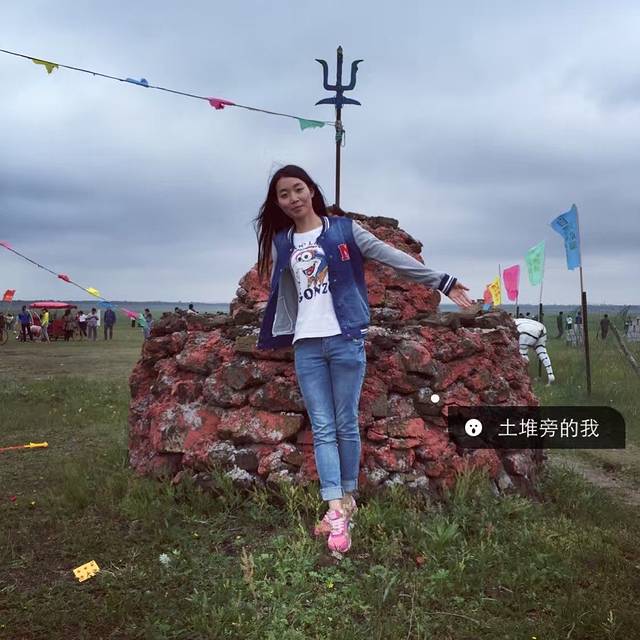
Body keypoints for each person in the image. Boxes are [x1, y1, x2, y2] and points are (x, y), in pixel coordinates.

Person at [255, 165, 473, 553]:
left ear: (311, 190)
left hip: (345, 339)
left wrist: (443, 281)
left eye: (298, 189)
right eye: (283, 194)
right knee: (322, 426)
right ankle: (335, 509)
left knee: (345, 422)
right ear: (277, 202)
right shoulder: (282, 242)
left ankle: (348, 499)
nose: (292, 198)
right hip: (306, 344)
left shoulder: (344, 230)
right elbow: (282, 293)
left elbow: (392, 257)